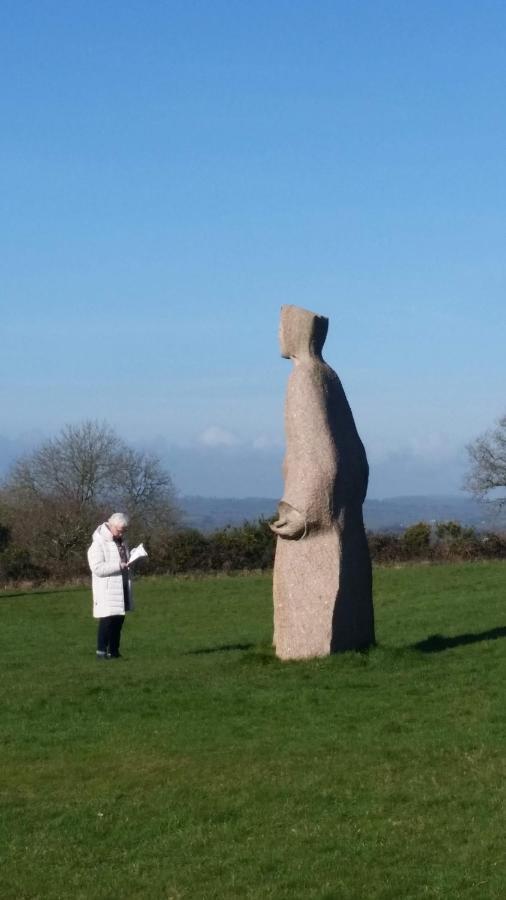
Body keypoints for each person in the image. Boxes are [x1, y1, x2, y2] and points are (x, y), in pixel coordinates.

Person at [87, 512, 133, 659]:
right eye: (119, 530)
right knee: (107, 621)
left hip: (122, 585)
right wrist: (119, 566)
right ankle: (101, 652)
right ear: (110, 525)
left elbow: (125, 560)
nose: (122, 533)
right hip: (107, 589)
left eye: (124, 530)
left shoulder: (122, 542)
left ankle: (114, 651)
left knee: (119, 621)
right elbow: (97, 568)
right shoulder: (97, 544)